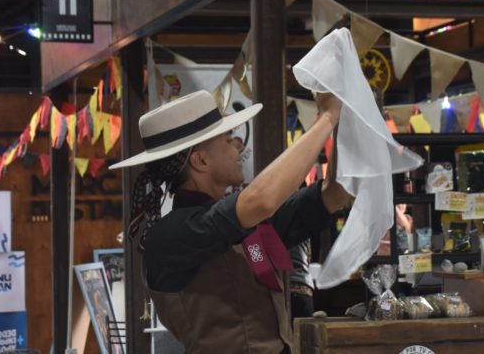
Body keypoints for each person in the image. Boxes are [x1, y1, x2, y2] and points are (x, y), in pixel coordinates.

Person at [110, 90, 350, 353]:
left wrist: (340, 120)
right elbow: (261, 201)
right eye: (227, 140)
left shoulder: (245, 219)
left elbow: (336, 192)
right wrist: (327, 116)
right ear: (200, 160)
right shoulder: (170, 235)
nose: (239, 145)